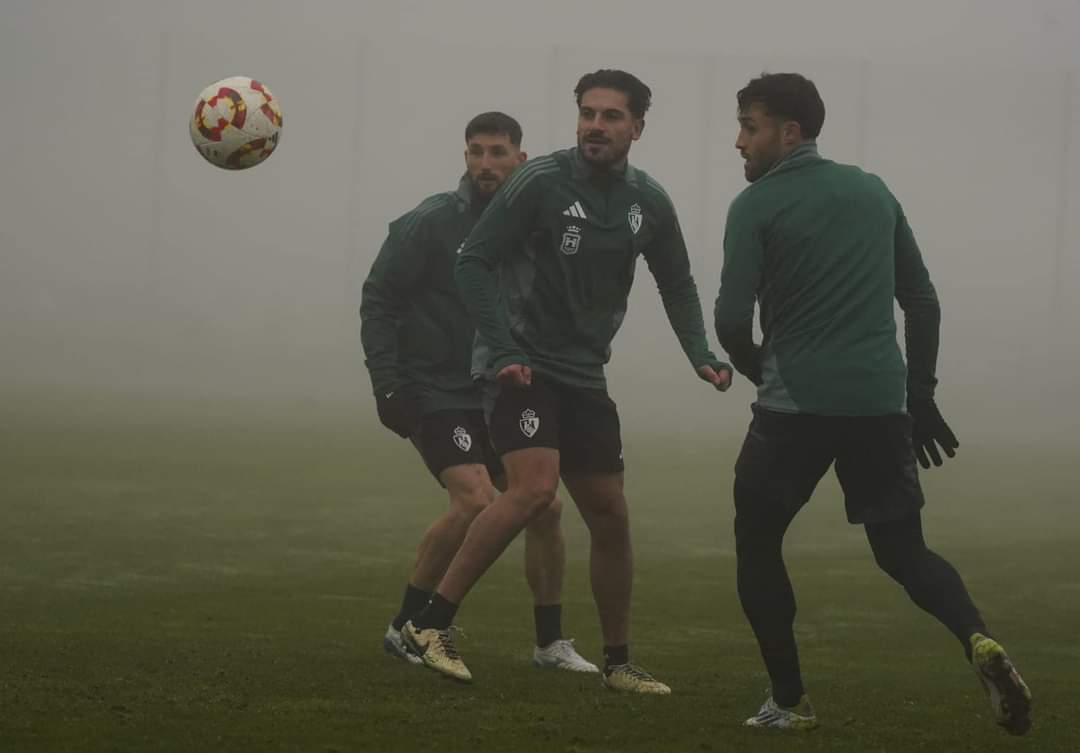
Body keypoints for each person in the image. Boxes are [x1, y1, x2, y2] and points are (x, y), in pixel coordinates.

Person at [714, 72, 1032, 734]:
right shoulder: (872, 191)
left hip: (794, 406)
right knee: (903, 551)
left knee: (756, 539)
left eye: (749, 126)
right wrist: (919, 395)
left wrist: (759, 371)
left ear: (789, 133)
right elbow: (922, 301)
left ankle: (789, 700)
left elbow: (729, 318)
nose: (737, 141)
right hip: (880, 405)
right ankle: (978, 638)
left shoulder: (756, 205)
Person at [402, 70, 732, 693]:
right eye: (588, 114)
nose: (595, 127)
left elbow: (678, 282)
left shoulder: (649, 202)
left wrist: (699, 351)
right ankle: (430, 625)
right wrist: (501, 347)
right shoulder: (540, 181)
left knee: (610, 514)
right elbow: (473, 260)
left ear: (637, 127)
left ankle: (618, 664)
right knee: (532, 490)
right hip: (521, 364)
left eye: (611, 116)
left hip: (585, 372)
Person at [359, 112, 597, 676]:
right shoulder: (432, 219)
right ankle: (406, 626)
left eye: (497, 152)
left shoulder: (531, 223)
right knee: (474, 499)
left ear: (520, 156)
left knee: (545, 506)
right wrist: (386, 382)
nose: (485, 164)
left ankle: (549, 644)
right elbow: (378, 299)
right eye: (475, 152)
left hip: (490, 384)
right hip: (432, 386)